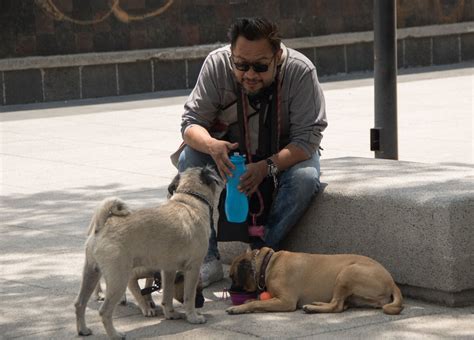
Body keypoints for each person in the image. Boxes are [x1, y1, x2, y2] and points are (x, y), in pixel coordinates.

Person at [172, 17, 327, 287]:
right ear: (231, 55)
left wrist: (267, 167)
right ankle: (205, 259)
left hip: (284, 153)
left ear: (277, 57)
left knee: (305, 178)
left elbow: (307, 140)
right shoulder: (216, 63)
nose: (250, 75)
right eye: (241, 65)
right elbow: (190, 124)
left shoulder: (301, 71)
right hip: (229, 152)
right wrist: (212, 146)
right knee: (190, 158)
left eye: (260, 66)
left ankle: (260, 256)